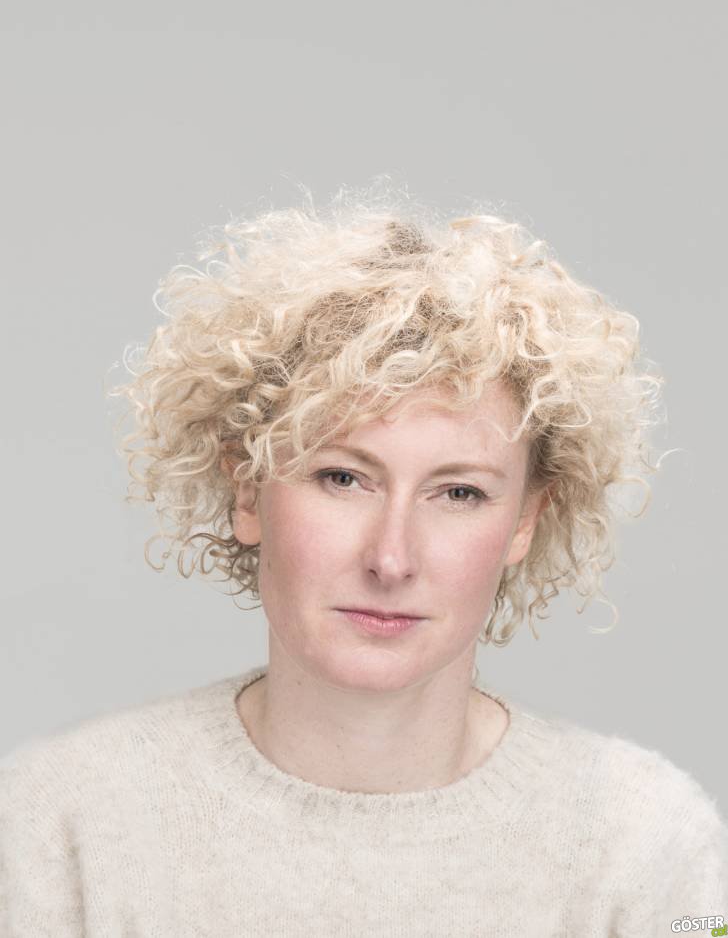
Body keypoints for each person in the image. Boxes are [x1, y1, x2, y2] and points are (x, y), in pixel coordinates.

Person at [2, 184, 727, 936]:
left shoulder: (653, 847)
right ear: (248, 491)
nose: (391, 558)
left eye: (459, 492)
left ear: (525, 521)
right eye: (343, 478)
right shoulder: (58, 824)